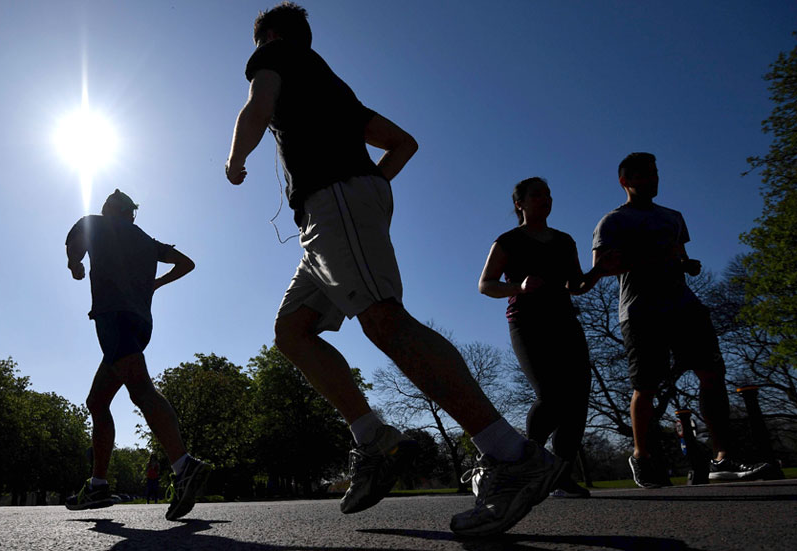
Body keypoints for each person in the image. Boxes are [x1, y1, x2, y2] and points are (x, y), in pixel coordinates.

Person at [225, 2, 565, 537]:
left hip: (335, 201)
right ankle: (373, 438)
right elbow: (403, 143)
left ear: (270, 36)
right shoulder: (332, 88)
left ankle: (511, 454)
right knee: (292, 331)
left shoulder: (275, 54)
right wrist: (373, 187)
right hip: (332, 212)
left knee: (384, 321)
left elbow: (257, 106)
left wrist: (236, 160)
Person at [592, 152, 771, 488]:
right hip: (641, 311)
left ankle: (722, 457)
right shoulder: (613, 221)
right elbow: (602, 267)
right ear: (625, 181)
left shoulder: (673, 217)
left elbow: (680, 257)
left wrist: (687, 265)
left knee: (712, 374)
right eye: (644, 175)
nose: (653, 180)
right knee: (646, 386)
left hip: (684, 306)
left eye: (655, 173)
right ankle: (642, 455)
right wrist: (650, 258)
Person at [64, 189, 210, 520]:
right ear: (131, 214)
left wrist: (75, 266)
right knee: (97, 401)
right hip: (142, 324)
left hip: (113, 317)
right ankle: (98, 484)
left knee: (141, 389)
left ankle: (184, 465)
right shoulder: (147, 240)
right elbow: (186, 263)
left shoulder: (94, 223)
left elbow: (75, 248)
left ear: (107, 208)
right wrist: (155, 284)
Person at [479, 177, 611, 498]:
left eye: (548, 194)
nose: (545, 199)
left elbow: (575, 286)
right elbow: (486, 284)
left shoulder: (564, 241)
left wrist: (599, 271)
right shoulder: (508, 241)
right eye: (537, 194)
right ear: (519, 203)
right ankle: (527, 462)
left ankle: (560, 476)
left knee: (577, 398)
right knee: (551, 395)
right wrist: (519, 287)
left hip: (565, 322)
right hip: (527, 323)